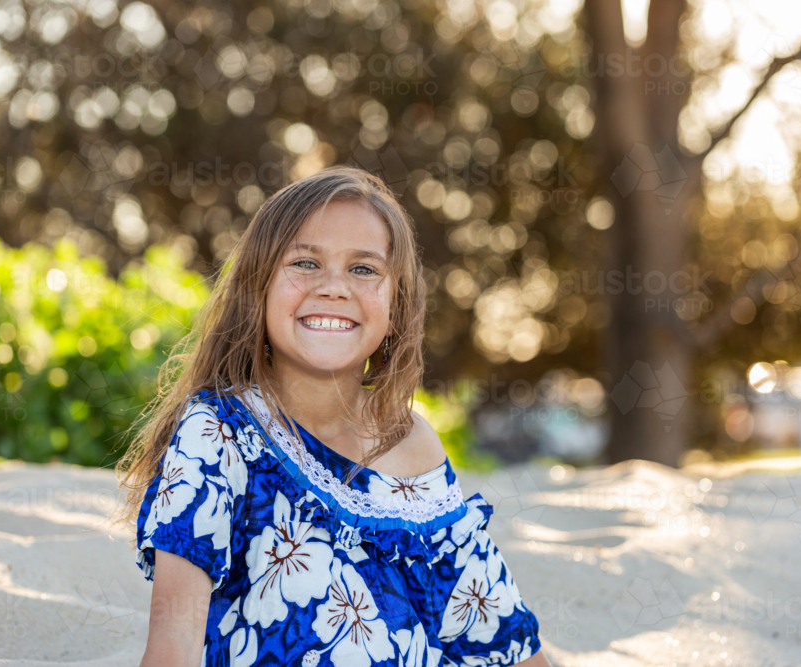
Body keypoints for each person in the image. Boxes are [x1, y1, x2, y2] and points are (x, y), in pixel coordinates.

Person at [115, 167, 551, 667]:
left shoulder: (413, 445)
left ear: (396, 305)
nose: (334, 288)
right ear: (258, 287)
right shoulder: (219, 432)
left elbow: (500, 641)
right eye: (305, 262)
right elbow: (174, 643)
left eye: (363, 269)